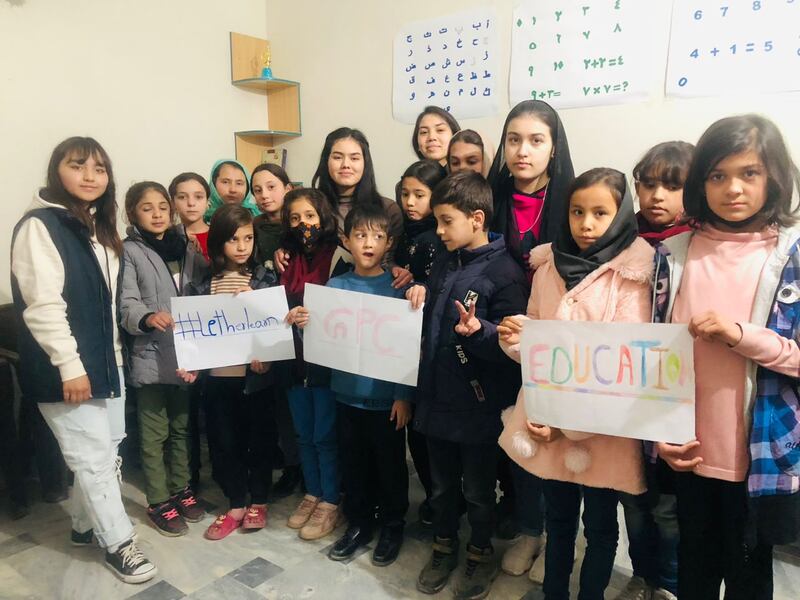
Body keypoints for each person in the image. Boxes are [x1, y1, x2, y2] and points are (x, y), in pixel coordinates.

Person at [653, 114, 800, 599]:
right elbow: (652, 355)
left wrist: (741, 335)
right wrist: (660, 435)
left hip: (757, 456)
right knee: (692, 566)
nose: (732, 188)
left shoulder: (791, 256)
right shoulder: (674, 253)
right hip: (688, 452)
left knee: (748, 575)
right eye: (717, 175)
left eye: (749, 173)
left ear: (774, 176)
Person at [498, 168, 653, 600]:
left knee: (601, 527)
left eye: (600, 213)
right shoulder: (549, 265)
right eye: (577, 212)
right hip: (547, 422)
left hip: (602, 434)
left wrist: (566, 423)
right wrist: (518, 338)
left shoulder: (634, 273)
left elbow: (622, 364)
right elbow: (540, 344)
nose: (586, 224)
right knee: (559, 521)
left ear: (620, 214)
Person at [10, 136, 156, 583]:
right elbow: (43, 306)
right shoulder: (40, 226)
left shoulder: (94, 226)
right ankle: (119, 543)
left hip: (105, 359)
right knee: (92, 457)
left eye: (99, 168)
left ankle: (83, 526)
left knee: (107, 451)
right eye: (78, 166)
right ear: (58, 171)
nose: (90, 176)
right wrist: (70, 366)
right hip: (67, 367)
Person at [413, 171, 528, 599]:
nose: (438, 231)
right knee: (441, 487)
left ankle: (480, 553)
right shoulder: (445, 260)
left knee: (479, 492)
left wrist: (479, 332)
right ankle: (444, 546)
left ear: (476, 218)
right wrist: (420, 291)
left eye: (445, 221)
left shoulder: (506, 273)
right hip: (436, 400)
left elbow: (515, 349)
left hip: (478, 409)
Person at [292, 203, 422, 566]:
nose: (368, 243)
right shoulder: (335, 286)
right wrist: (304, 321)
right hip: (344, 396)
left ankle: (393, 524)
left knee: (391, 467)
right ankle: (360, 524)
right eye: (360, 235)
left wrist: (403, 397)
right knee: (355, 466)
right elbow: (322, 338)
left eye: (377, 237)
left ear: (389, 242)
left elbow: (407, 348)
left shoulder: (398, 287)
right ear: (346, 241)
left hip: (384, 401)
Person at [181, 204, 277, 540]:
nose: (242, 245)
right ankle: (236, 501)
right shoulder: (201, 286)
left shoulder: (265, 278)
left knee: (259, 440)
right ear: (219, 242)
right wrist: (192, 365)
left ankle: (259, 499)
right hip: (218, 383)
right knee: (224, 443)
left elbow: (275, 326)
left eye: (248, 238)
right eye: (233, 239)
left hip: (255, 382)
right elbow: (194, 337)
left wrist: (265, 348)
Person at [120, 181, 207, 536]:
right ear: (132, 213)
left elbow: (204, 292)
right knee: (154, 433)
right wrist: (145, 317)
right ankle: (158, 499)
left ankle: (182, 490)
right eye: (147, 208)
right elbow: (126, 301)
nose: (157, 214)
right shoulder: (129, 251)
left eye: (161, 207)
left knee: (182, 428)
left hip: (186, 355)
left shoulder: (187, 248)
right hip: (151, 356)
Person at [280, 188, 351, 541]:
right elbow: (272, 305)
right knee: (303, 433)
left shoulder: (341, 256)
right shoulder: (282, 260)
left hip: (326, 363)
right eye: (294, 218)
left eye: (309, 216)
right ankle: (312, 492)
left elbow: (348, 308)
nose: (302, 224)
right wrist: (286, 314)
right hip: (294, 361)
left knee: (325, 434)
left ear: (322, 217)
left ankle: (331, 499)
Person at [633, 141, 694, 247]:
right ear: (637, 188)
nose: (657, 196)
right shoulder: (623, 236)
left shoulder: (699, 239)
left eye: (672, 188)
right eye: (649, 185)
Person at [170, 172, 211, 260]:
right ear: (173, 203)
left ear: (208, 202)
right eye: (182, 197)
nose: (191, 203)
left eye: (198, 197)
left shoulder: (219, 234)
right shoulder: (166, 237)